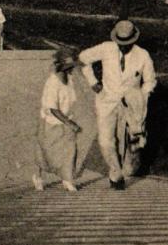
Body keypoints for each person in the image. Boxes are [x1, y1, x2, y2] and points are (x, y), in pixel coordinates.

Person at [79, 20, 156, 190]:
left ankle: (130, 164)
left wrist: (140, 97)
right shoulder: (106, 48)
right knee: (106, 140)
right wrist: (93, 82)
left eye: (126, 44)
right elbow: (83, 59)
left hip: (133, 103)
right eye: (120, 43)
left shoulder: (142, 55)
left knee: (135, 141)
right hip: (107, 101)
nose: (122, 47)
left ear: (133, 41)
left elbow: (150, 81)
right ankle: (115, 174)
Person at [32, 49, 82, 193]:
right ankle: (38, 177)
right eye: (70, 67)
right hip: (51, 122)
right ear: (61, 66)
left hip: (66, 120)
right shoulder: (53, 82)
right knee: (46, 153)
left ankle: (67, 180)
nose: (72, 69)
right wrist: (69, 123)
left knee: (70, 151)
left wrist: (69, 121)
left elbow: (70, 100)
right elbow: (53, 108)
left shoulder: (69, 79)